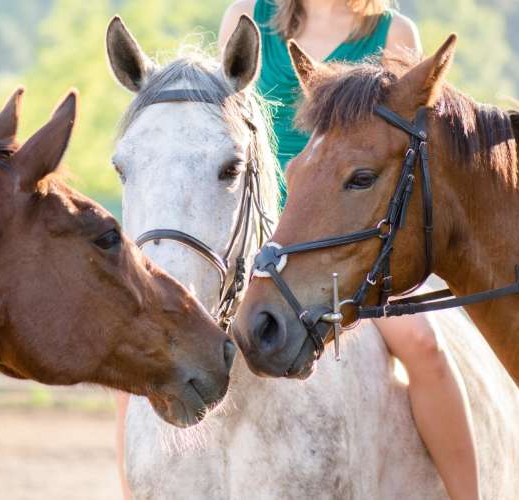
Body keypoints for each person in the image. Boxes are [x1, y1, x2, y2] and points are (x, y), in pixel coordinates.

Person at [117, 2, 480, 499]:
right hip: (248, 226)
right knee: (137, 349)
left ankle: (469, 493)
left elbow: (398, 152)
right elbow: (219, 127)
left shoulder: (393, 31)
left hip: (342, 240)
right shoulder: (248, 15)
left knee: (422, 345)